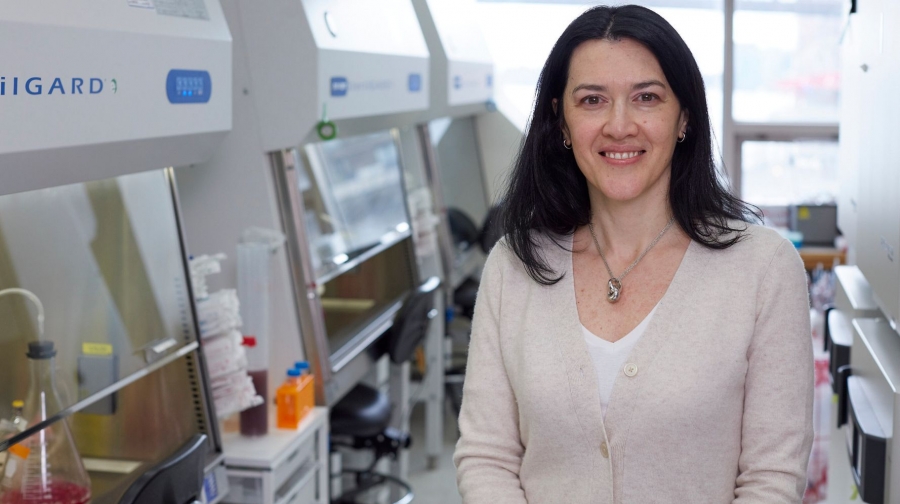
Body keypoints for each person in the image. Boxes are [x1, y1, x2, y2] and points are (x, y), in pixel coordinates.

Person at [453, 5, 813, 503]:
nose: (619, 126)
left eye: (646, 97)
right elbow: (486, 456)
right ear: (562, 121)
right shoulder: (513, 265)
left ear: (684, 116)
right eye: (592, 100)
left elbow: (772, 478)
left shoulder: (764, 269)